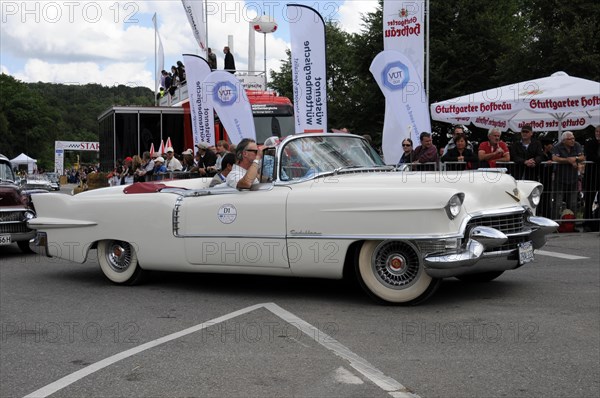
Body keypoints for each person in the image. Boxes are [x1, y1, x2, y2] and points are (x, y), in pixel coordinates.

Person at [552, 131, 585, 218]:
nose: (572, 140)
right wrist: (568, 160)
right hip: (560, 180)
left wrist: (575, 158)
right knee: (557, 203)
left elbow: (582, 157)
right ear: (563, 140)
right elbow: (555, 158)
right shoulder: (557, 146)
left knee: (573, 204)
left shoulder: (577, 145)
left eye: (573, 138)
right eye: (570, 139)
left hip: (573, 180)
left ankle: (572, 225)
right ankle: (555, 225)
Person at [583, 125, 600, 231]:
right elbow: (591, 156)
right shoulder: (590, 143)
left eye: (599, 131)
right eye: (597, 131)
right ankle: (588, 223)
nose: (598, 133)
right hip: (592, 176)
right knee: (589, 200)